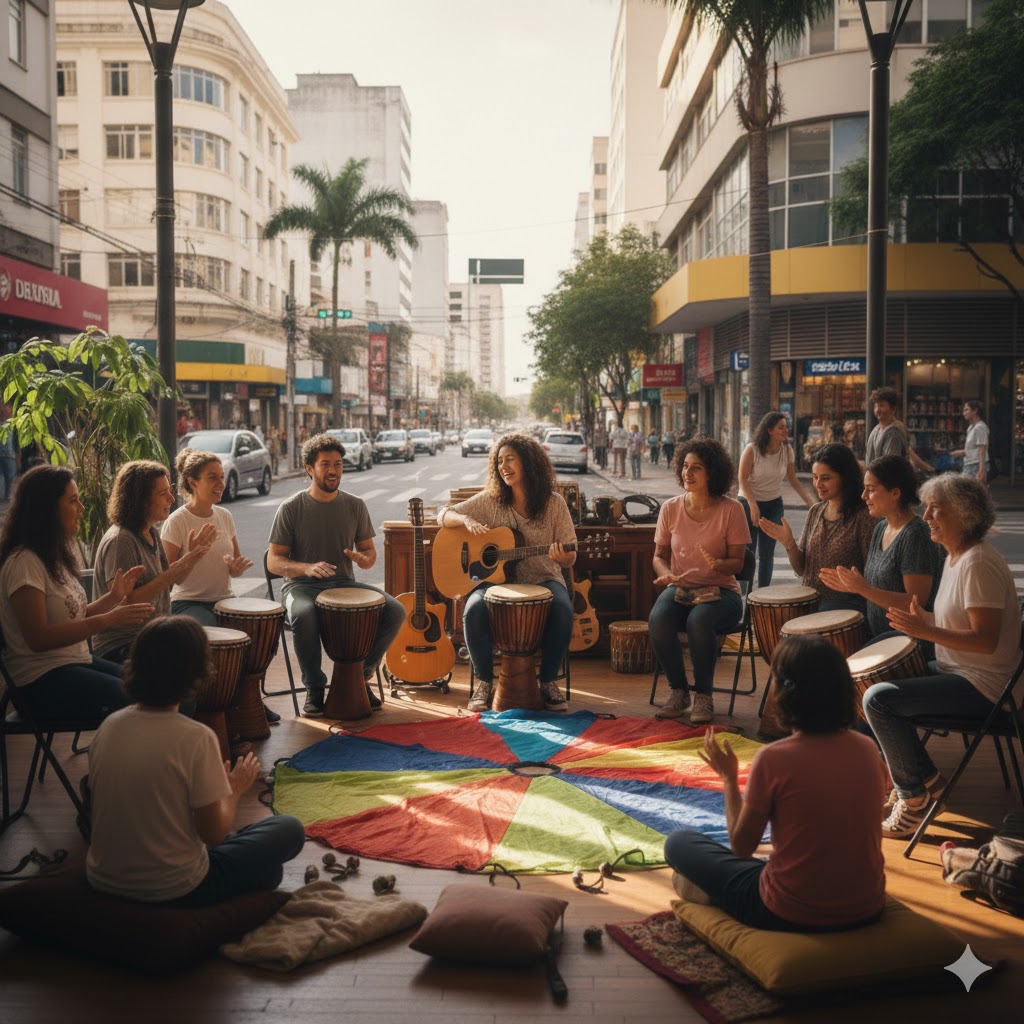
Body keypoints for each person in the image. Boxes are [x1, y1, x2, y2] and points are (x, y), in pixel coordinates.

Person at [665, 636, 887, 931]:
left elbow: (742, 846)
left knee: (678, 842)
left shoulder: (774, 759)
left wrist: (729, 779)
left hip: (788, 911)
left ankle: (709, 893)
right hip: (868, 905)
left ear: (786, 693)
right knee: (765, 864)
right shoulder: (868, 749)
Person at [85, 616, 306, 905]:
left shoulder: (108, 726)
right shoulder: (196, 738)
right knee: (288, 829)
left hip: (102, 879)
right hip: (176, 888)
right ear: (198, 674)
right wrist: (235, 788)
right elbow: (214, 834)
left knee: (265, 868)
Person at [863, 474, 1021, 838]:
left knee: (878, 700)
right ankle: (930, 783)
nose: (926, 515)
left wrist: (925, 631)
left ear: (964, 515)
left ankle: (915, 800)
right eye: (927, 506)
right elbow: (955, 621)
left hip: (987, 688)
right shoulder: (954, 557)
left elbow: (986, 641)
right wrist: (925, 621)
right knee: (872, 682)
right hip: (960, 671)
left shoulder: (977, 563)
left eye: (937, 509)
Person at [0, 465, 154, 722]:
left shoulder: (52, 555)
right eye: (73, 500)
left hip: (73, 664)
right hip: (40, 683)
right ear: (46, 508)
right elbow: (38, 637)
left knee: (158, 688)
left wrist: (113, 598)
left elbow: (71, 616)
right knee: (149, 701)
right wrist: (106, 621)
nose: (81, 508)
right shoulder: (24, 561)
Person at [436, 432, 576, 713]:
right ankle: (484, 682)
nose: (503, 466)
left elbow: (571, 556)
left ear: (529, 463)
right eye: (499, 461)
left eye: (510, 459)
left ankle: (548, 681)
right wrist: (465, 519)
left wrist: (564, 557)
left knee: (563, 608)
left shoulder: (554, 504)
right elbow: (443, 515)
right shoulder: (491, 501)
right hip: (495, 583)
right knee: (472, 609)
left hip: (544, 579)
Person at [267, 433, 405, 717]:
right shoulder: (291, 508)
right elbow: (273, 560)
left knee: (395, 610)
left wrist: (361, 558)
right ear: (309, 468)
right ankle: (314, 688)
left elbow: (368, 556)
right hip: (301, 586)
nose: (333, 470)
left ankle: (358, 676)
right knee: (304, 615)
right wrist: (305, 567)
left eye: (338, 464)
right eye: (325, 464)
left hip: (344, 583)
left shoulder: (355, 505)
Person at [648, 437, 750, 724]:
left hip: (723, 593)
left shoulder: (732, 510)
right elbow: (658, 555)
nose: (687, 473)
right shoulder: (670, 508)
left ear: (713, 473)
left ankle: (703, 695)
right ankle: (679, 691)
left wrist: (719, 565)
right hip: (681, 588)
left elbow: (738, 564)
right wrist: (664, 573)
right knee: (658, 618)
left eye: (697, 468)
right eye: (685, 466)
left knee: (699, 620)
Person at [93, 461, 216, 663]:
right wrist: (182, 563)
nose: (171, 498)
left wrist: (193, 556)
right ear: (140, 500)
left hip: (152, 636)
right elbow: (126, 602)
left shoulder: (151, 532)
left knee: (198, 646)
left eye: (170, 491)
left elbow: (169, 585)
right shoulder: (121, 540)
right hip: (122, 644)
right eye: (162, 494)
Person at [818, 455, 944, 641]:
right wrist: (853, 585)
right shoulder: (881, 527)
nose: (864, 497)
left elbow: (916, 603)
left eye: (870, 490)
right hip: (881, 637)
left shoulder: (915, 535)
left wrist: (864, 589)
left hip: (906, 644)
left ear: (895, 493)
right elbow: (877, 589)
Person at [760, 443, 874, 612]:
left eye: (826, 478)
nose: (818, 484)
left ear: (845, 477)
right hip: (810, 601)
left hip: (846, 608)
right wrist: (789, 543)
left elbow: (872, 576)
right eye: (815, 477)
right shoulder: (816, 511)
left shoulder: (864, 516)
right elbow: (802, 569)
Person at [162, 449, 254, 627]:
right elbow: (167, 578)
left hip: (224, 600)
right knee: (214, 628)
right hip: (187, 602)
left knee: (251, 628)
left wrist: (236, 569)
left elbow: (235, 567)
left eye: (222, 476)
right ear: (193, 482)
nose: (221, 483)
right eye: (212, 478)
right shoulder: (177, 521)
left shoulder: (225, 515)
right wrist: (193, 553)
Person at [736, 412, 815, 590]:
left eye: (786, 427)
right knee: (749, 553)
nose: (785, 430)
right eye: (781, 427)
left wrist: (811, 502)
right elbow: (742, 479)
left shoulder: (787, 450)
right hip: (748, 502)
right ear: (769, 430)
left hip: (773, 505)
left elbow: (793, 479)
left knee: (766, 554)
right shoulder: (752, 449)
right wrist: (753, 505)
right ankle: (745, 596)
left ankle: (761, 597)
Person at [862, 386, 932, 475]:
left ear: (893, 409)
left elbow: (890, 465)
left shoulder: (893, 432)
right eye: (875, 406)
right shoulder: (876, 429)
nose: (877, 410)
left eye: (881, 405)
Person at [951, 400, 990, 483]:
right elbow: (973, 449)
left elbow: (982, 449)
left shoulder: (980, 427)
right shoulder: (970, 428)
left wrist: (981, 469)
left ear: (975, 410)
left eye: (966, 410)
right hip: (969, 464)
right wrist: (961, 452)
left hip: (976, 465)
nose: (964, 413)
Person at [0, 405, 19, 501]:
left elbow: (16, 443)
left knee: (11, 479)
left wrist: (18, 458)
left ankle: (8, 498)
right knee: (2, 479)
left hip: (10, 456)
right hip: (4, 456)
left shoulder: (13, 427)